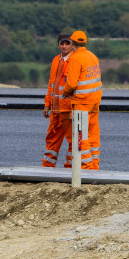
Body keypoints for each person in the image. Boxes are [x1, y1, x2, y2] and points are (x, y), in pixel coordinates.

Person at [62, 31, 103, 170]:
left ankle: (87, 167)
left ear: (72, 43)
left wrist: (65, 93)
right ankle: (94, 166)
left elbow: (72, 84)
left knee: (80, 136)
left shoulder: (76, 58)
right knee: (92, 135)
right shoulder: (93, 56)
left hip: (81, 102)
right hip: (95, 102)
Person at [42, 32, 74, 168]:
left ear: (72, 45)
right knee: (51, 139)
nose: (65, 46)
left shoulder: (75, 60)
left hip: (68, 109)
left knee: (73, 140)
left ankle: (70, 168)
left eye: (67, 43)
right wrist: (47, 104)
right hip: (56, 108)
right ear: (58, 45)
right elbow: (51, 83)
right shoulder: (56, 60)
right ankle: (47, 167)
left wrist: (75, 108)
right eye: (62, 43)